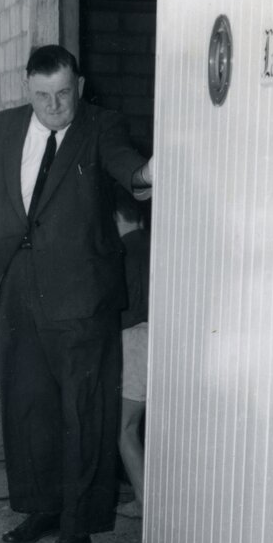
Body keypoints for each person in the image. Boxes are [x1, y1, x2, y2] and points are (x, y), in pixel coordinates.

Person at [0, 44, 153, 543]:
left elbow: (125, 168)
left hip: (83, 303)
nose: (54, 106)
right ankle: (42, 509)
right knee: (29, 412)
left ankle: (77, 530)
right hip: (17, 301)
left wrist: (146, 174)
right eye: (43, 96)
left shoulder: (101, 127)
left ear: (80, 87)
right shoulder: (0, 130)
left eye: (63, 95)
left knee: (84, 417)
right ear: (28, 89)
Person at [114, 191, 150, 519]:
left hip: (137, 341)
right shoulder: (157, 244)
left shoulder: (124, 252)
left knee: (124, 428)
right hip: (163, 342)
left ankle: (143, 502)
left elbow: (126, 311)